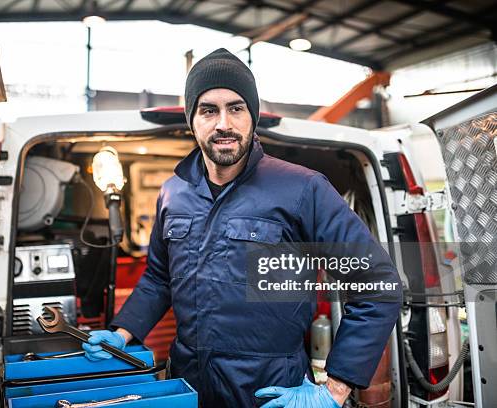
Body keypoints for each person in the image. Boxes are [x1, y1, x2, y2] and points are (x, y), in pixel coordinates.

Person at [82, 48, 403, 407]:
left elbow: (378, 285)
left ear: (252, 116)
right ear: (192, 120)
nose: (223, 123)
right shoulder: (174, 192)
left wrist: (336, 388)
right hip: (188, 387)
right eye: (208, 110)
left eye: (236, 108)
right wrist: (123, 332)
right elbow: (160, 277)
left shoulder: (303, 189)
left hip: (271, 394)